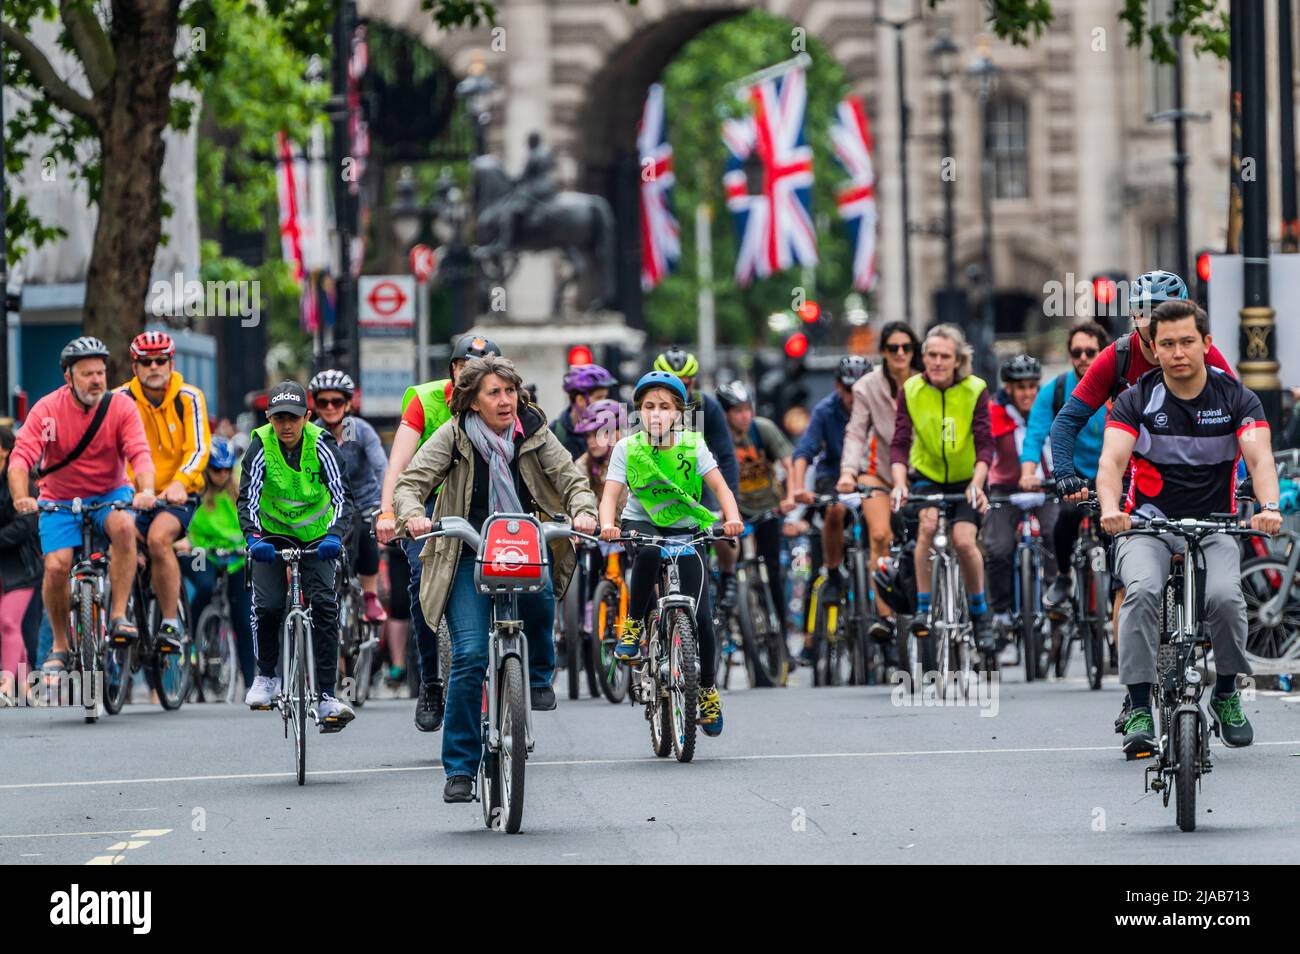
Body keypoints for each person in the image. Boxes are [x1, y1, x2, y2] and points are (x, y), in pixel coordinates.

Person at [393, 355, 598, 804]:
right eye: (494, 393)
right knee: (467, 656)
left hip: (523, 547)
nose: (506, 401)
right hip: (467, 552)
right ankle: (461, 768)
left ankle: (540, 677)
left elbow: (571, 478)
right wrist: (411, 516)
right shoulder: (452, 436)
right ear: (472, 401)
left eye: (510, 391)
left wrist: (584, 510)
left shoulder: (533, 430)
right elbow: (410, 484)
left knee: (544, 596)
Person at [1096, 299, 1281, 757]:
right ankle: (1139, 704)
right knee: (1139, 592)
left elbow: (1259, 458)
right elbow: (1111, 461)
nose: (1178, 352)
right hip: (1147, 525)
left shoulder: (1237, 397)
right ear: (1154, 350)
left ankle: (1226, 695)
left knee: (1225, 598)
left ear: (1206, 344)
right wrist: (1109, 506)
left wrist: (1270, 506)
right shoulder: (1137, 398)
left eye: (1187, 342)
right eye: (1167, 344)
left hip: (1213, 525)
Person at [600, 370, 744, 736]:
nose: (656, 414)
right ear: (638, 412)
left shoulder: (694, 445)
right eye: (649, 406)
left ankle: (708, 691)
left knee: (703, 619)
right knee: (647, 555)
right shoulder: (626, 448)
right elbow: (611, 496)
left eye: (665, 407)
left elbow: (721, 488)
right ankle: (633, 626)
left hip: (686, 527)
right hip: (642, 524)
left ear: (680, 413)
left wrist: (732, 519)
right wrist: (607, 524)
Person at [376, 332, 502, 732]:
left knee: (527, 566)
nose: (475, 378)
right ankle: (430, 680)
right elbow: (399, 464)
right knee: (420, 577)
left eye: (485, 371)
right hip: (428, 509)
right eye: (467, 368)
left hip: (487, 504)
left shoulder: (507, 400)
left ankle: (523, 669)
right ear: (453, 371)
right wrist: (387, 512)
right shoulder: (425, 400)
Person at [9, 337, 156, 675]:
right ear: (68, 377)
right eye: (87, 373)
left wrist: (146, 489)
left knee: (123, 527)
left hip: (110, 493)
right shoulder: (47, 411)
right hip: (59, 498)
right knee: (58, 567)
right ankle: (60, 645)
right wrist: (21, 496)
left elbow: (139, 452)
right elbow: (21, 459)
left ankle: (118, 615)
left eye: (100, 373)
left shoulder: (120, 408)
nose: (96, 380)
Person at [1051, 270, 1235, 502]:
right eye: (1147, 314)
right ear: (1134, 316)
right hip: (1131, 478)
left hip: (1193, 475)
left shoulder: (1203, 353)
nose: (1158, 324)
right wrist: (1065, 475)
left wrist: (1250, 478)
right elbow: (1067, 420)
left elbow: (1241, 414)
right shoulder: (1116, 357)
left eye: (1168, 314)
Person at [238, 381, 355, 731]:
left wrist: (336, 535)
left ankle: (326, 695)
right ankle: (266, 677)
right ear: (269, 418)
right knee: (269, 604)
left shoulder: (323, 444)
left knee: (324, 605)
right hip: (270, 536)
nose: (286, 425)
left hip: (319, 537)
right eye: (278, 418)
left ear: (307, 416)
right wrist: (254, 538)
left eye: (292, 417)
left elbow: (343, 498)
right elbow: (248, 498)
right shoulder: (260, 444)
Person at [890, 324, 996, 652]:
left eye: (945, 356)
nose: (937, 362)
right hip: (927, 475)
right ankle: (922, 607)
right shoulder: (910, 390)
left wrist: (977, 484)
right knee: (927, 527)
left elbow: (984, 444)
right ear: (923, 358)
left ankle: (979, 613)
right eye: (931, 355)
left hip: (968, 478)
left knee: (964, 541)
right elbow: (899, 443)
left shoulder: (975, 389)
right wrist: (898, 483)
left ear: (957, 360)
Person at [117, 330, 211, 651]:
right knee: (119, 536)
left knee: (159, 539)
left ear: (171, 363)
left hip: (177, 495)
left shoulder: (190, 397)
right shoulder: (120, 400)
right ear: (135, 366)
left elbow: (198, 448)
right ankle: (120, 616)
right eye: (146, 361)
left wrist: (179, 483)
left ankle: (170, 623)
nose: (154, 366)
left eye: (160, 360)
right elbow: (111, 449)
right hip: (132, 495)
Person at [838, 321, 923, 642]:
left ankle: (923, 601)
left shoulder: (925, 383)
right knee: (879, 535)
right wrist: (847, 472)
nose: (900, 354)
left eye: (906, 348)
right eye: (892, 348)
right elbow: (856, 432)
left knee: (921, 539)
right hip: (879, 470)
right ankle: (884, 615)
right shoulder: (866, 387)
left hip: (919, 472)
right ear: (883, 352)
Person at [1020, 320, 1109, 611]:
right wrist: (1027, 471)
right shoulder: (1055, 390)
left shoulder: (1117, 386)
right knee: (1065, 520)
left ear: (1103, 352)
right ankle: (1062, 576)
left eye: (1090, 352)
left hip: (1111, 473)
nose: (1083, 358)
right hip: (1074, 474)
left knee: (1113, 528)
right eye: (1076, 352)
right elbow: (1035, 432)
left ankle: (1119, 585)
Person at [790, 356, 872, 661]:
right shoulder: (826, 411)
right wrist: (799, 488)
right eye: (849, 390)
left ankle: (892, 625)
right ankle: (834, 575)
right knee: (830, 525)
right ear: (838, 387)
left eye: (861, 388)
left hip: (873, 477)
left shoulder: (881, 404)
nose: (854, 397)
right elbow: (804, 451)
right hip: (833, 480)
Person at [982, 355, 1059, 643]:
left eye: (1032, 386)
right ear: (1008, 388)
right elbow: (983, 450)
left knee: (1055, 532)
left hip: (1046, 487)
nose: (1027, 393)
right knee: (998, 547)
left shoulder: (1050, 409)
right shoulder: (993, 413)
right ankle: (1001, 612)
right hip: (1006, 490)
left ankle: (1055, 596)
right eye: (1020, 387)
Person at [309, 369, 387, 622]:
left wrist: (388, 509)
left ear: (348, 403)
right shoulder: (311, 434)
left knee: (366, 531)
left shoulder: (361, 430)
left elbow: (382, 468)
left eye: (337, 401)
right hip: (328, 505)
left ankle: (370, 596)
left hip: (365, 501)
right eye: (323, 402)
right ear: (316, 405)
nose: (330, 407)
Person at [715, 380, 795, 627]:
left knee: (772, 571)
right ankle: (731, 621)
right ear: (725, 414)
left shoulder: (763, 429)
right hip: (736, 511)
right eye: (738, 411)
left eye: (747, 409)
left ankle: (780, 629)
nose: (745, 416)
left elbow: (788, 463)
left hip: (767, 508)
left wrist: (790, 497)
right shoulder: (719, 437)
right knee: (730, 564)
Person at [178, 436, 255, 690]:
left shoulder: (241, 489)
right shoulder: (195, 490)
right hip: (202, 554)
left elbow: (255, 520)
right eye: (215, 469)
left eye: (225, 469)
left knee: (244, 619)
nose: (221, 475)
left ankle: (251, 682)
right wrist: (183, 540)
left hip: (236, 558)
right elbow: (178, 519)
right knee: (204, 585)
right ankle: (190, 639)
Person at [652, 347, 740, 507]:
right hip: (654, 488)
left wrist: (731, 506)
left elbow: (727, 457)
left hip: (698, 488)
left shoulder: (707, 406)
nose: (678, 391)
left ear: (693, 381)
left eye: (684, 384)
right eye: (669, 385)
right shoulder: (642, 407)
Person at [0, 426, 40, 703]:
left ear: (4, 451)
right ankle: (26, 687)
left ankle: (5, 684)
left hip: (23, 567)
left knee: (8, 622)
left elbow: (26, 525)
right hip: (2, 567)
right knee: (11, 627)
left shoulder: (22, 481)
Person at [552, 363, 618, 460]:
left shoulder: (613, 427)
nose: (605, 402)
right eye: (599, 397)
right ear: (580, 400)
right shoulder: (556, 433)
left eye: (605, 397)